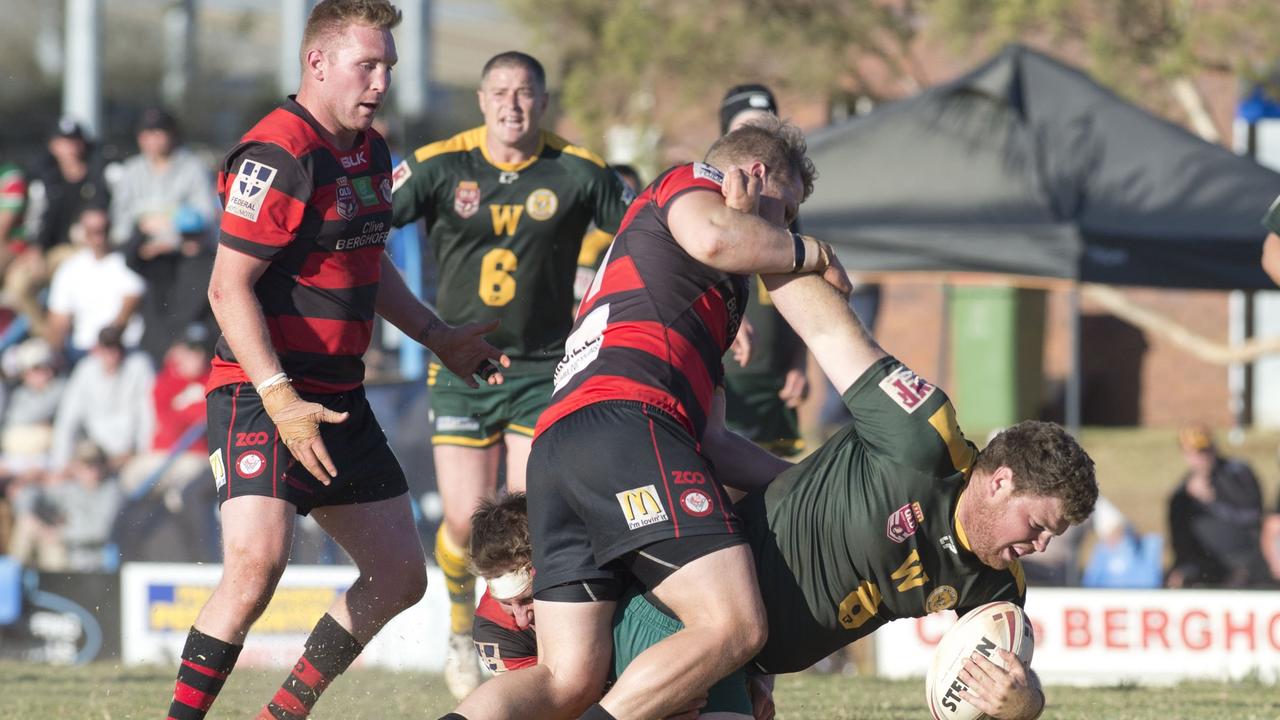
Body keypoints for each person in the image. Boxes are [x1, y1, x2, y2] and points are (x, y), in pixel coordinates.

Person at [464, 258, 1098, 719]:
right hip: (681, 620)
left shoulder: (995, 586)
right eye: (1038, 525)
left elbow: (1011, 680)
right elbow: (827, 332)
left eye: (1053, 536)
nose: (1040, 546)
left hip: (740, 660)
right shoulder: (919, 437)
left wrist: (1024, 703)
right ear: (1000, 481)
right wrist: (778, 244)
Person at [162, 3, 509, 719]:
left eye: (388, 67)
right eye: (367, 65)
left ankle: (283, 712)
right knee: (256, 565)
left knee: (398, 575)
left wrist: (436, 334)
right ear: (317, 63)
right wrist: (282, 399)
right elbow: (227, 289)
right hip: (262, 393)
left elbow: (365, 261)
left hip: (339, 396)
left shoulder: (370, 149)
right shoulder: (278, 154)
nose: (381, 81)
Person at [449, 117, 849, 720]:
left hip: (559, 446)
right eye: (786, 210)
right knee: (735, 624)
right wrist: (813, 254)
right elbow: (716, 237)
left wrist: (806, 479)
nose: (786, 227)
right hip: (626, 425)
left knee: (566, 678)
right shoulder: (694, 182)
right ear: (756, 175)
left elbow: (712, 443)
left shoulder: (710, 293)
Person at [391, 50, 633, 699]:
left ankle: (533, 646)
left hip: (541, 366)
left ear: (543, 102)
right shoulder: (442, 165)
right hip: (461, 364)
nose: (512, 105)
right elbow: (363, 223)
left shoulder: (578, 171)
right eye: (500, 91)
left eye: (524, 93)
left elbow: (644, 231)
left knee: (537, 520)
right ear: (480, 99)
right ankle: (461, 630)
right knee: (467, 523)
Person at [467, 493, 766, 720]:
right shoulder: (496, 631)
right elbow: (551, 710)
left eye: (528, 599)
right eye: (508, 604)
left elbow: (733, 601)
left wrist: (758, 675)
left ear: (559, 570)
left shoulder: (615, 569)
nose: (520, 620)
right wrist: (655, 699)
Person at [717, 84, 808, 456]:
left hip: (774, 381)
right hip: (724, 380)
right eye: (745, 129)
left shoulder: (781, 208)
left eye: (765, 129)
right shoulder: (702, 206)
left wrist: (800, 362)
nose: (758, 139)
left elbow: (798, 286)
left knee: (776, 493)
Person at [12, 119, 111, 335]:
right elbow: (37, 218)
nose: (70, 148)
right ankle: (47, 337)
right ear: (53, 146)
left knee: (68, 282)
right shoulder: (45, 177)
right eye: (64, 142)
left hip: (83, 250)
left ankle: (57, 339)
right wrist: (36, 248)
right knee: (17, 285)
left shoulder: (99, 173)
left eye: (75, 142)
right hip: (50, 251)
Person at [1165, 424, 1272, 588]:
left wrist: (1212, 502)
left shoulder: (1237, 473)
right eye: (1194, 453)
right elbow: (1179, 540)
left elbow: (1253, 517)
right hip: (1208, 567)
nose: (1201, 457)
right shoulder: (1181, 495)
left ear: (1214, 448)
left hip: (1247, 564)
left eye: (1204, 450)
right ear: (1185, 455)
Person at [45, 205, 146, 360]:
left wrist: (107, 344)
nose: (99, 238)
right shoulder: (69, 270)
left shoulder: (127, 262)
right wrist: (53, 354)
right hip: (83, 351)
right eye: (92, 232)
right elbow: (59, 319)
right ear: (83, 233)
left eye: (103, 230)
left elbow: (128, 307)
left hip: (121, 348)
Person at [109, 106, 218, 249]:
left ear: (173, 134)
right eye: (146, 133)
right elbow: (119, 220)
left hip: (181, 252)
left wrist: (170, 231)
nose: (151, 139)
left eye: (158, 132)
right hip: (138, 249)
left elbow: (206, 217)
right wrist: (140, 230)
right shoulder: (131, 170)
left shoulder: (194, 168)